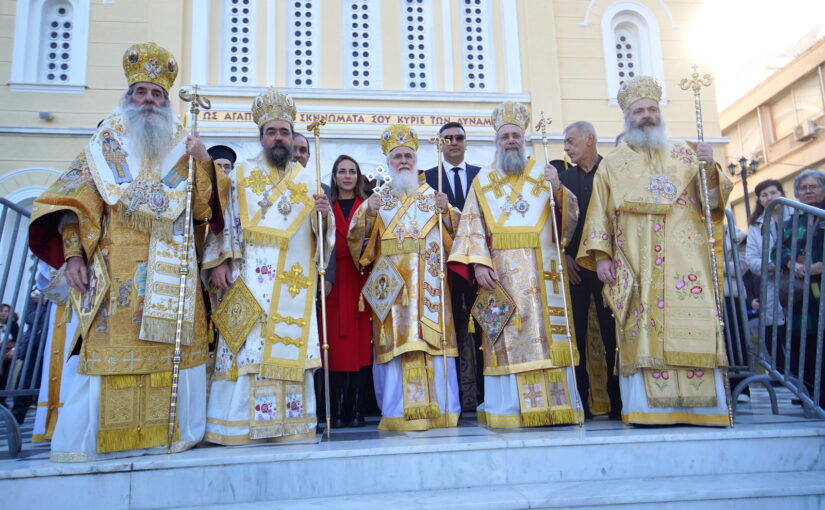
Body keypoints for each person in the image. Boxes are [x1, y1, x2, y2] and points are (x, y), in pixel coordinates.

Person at [28, 42, 224, 461]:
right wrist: (74, 255)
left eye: (157, 94)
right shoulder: (103, 144)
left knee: (172, 352)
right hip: (115, 271)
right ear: (128, 97)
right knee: (108, 354)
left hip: (175, 272)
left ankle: (170, 436)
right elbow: (73, 205)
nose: (149, 101)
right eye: (142, 93)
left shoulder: (183, 145)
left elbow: (205, 212)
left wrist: (204, 163)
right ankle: (90, 444)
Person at [577, 75, 734, 426]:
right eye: (638, 111)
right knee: (641, 330)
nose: (645, 115)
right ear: (627, 118)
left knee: (693, 325)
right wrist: (601, 256)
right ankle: (649, 409)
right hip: (637, 261)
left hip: (686, 261)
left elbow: (711, 206)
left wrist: (710, 171)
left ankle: (703, 409)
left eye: (651, 109)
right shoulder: (613, 164)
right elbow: (599, 212)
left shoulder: (685, 154)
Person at [201, 88, 333, 444]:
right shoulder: (241, 174)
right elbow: (223, 219)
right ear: (261, 137)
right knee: (248, 348)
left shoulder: (307, 180)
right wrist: (221, 261)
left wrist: (326, 219)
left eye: (285, 132)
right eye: (272, 132)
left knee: (288, 348)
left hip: (294, 283)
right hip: (250, 278)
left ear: (292, 138)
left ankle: (292, 426)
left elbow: (323, 238)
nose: (279, 138)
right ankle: (239, 427)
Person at [448, 102, 584, 428]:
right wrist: (479, 265)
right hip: (501, 275)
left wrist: (558, 190)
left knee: (548, 337)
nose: (511, 140)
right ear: (497, 141)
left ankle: (557, 405)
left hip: (543, 272)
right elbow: (471, 225)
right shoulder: (484, 180)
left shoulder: (544, 173)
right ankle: (509, 407)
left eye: (516, 135)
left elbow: (566, 225)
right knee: (506, 337)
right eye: (505, 136)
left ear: (524, 140)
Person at [347, 124, 460, 430]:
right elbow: (357, 247)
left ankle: (444, 411)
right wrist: (366, 214)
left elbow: (462, 236)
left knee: (432, 345)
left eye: (408, 155)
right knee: (397, 347)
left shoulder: (434, 198)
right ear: (388, 163)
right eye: (397, 157)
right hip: (394, 293)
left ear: (417, 158)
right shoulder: (378, 201)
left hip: (430, 288)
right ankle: (396, 412)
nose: (403, 161)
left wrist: (448, 212)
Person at [558, 121, 622, 419]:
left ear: (590, 139)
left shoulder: (612, 172)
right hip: (575, 270)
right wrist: (566, 254)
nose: (567, 148)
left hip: (608, 266)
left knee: (613, 333)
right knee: (577, 334)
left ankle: (618, 400)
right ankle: (580, 401)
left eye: (571, 141)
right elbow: (556, 222)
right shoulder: (563, 178)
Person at [424, 121, 484, 410]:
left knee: (484, 324)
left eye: (459, 138)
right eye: (447, 139)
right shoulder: (428, 179)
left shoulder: (481, 177)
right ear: (439, 143)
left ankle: (483, 389)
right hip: (445, 267)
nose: (454, 143)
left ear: (466, 142)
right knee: (454, 327)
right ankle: (458, 393)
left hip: (479, 264)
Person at [325, 155, 372, 427]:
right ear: (334, 176)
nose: (347, 176)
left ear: (358, 176)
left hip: (359, 282)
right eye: (341, 171)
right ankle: (337, 409)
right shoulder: (325, 206)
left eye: (352, 171)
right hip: (332, 280)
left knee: (360, 349)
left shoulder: (366, 207)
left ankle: (356, 410)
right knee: (335, 347)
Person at [777, 169, 825, 407]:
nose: (808, 191)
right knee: (800, 340)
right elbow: (777, 251)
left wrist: (820, 266)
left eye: (813, 186)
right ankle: (807, 391)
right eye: (803, 188)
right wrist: (789, 263)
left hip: (821, 289)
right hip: (799, 294)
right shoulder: (791, 220)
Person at [745, 179, 787, 367]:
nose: (769, 197)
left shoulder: (797, 214)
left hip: (799, 281)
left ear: (782, 194)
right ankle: (787, 377)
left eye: (773, 193)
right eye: (764, 195)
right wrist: (772, 265)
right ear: (759, 200)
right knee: (773, 333)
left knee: (800, 333)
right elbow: (751, 259)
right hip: (771, 283)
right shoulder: (756, 225)